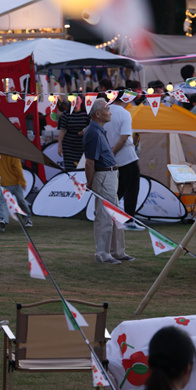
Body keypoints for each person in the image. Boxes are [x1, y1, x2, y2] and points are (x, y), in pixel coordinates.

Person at [83, 98, 134, 265]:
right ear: (98, 114)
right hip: (104, 176)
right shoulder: (93, 133)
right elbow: (89, 162)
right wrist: (90, 182)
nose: (110, 111)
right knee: (105, 216)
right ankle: (103, 253)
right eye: (107, 109)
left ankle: (117, 252)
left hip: (109, 175)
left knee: (115, 215)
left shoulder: (98, 131)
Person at [104, 91, 143, 231]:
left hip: (110, 157)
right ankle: (129, 220)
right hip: (126, 157)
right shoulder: (124, 113)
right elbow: (124, 137)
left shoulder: (105, 111)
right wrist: (113, 153)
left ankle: (105, 214)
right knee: (131, 188)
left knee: (118, 188)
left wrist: (108, 154)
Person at [0, 153, 33, 232]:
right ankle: (27, 218)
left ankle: (2, 219)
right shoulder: (14, 155)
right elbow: (18, 169)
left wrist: (4, 175)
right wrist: (23, 182)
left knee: (3, 203)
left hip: (4, 183)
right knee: (21, 201)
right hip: (16, 183)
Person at [57, 96, 89, 171]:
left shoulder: (86, 114)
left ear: (81, 100)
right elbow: (62, 130)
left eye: (77, 99)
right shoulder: (66, 114)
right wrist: (59, 146)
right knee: (70, 168)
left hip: (82, 145)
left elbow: (91, 127)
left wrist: (85, 132)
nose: (75, 101)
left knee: (82, 167)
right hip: (69, 145)